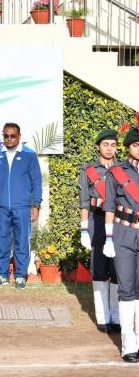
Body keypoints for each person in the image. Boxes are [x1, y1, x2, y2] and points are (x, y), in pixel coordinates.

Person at [0, 122, 42, 289]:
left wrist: (35, 205)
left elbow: (36, 181)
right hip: (0, 207)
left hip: (22, 207)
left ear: (19, 137)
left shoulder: (29, 155)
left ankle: (20, 276)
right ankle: (1, 275)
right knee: (1, 241)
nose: (9, 139)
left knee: (22, 241)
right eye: (6, 136)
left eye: (12, 136)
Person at [103, 117, 139, 363]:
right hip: (123, 233)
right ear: (128, 147)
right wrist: (108, 238)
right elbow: (109, 207)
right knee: (127, 289)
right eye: (136, 145)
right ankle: (129, 345)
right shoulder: (116, 172)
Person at [79, 129, 120, 333]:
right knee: (99, 267)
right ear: (98, 147)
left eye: (113, 145)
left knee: (118, 268)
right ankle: (103, 316)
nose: (109, 149)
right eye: (105, 145)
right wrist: (84, 229)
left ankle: (117, 316)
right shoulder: (88, 170)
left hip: (119, 221)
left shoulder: (123, 169)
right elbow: (84, 202)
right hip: (96, 220)